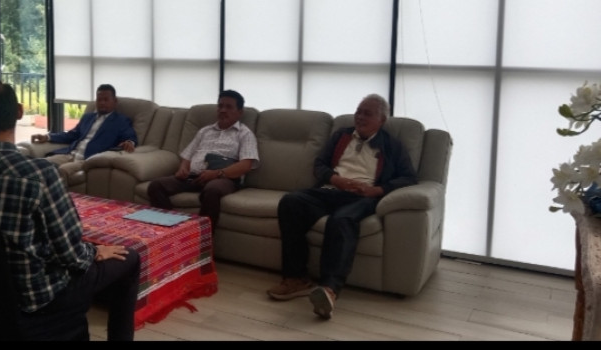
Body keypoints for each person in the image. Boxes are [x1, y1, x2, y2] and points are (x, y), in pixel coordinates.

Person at [0, 80, 141, 341]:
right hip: (37, 298)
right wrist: (95, 251)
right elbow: (71, 254)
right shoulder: (40, 175)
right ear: (19, 111)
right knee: (130, 259)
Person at [266, 93, 418, 320]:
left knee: (341, 220)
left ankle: (329, 290)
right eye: (358, 111)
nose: (360, 117)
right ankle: (296, 278)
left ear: (382, 120)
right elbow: (320, 164)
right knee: (291, 202)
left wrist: (377, 190)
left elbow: (409, 178)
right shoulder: (341, 135)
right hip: (331, 189)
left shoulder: (392, 146)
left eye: (367, 113)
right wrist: (336, 179)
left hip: (362, 197)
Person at [146, 89, 260, 230]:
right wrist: (183, 169)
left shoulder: (244, 134)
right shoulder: (205, 131)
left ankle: (202, 238)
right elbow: (188, 155)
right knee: (156, 186)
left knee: (212, 190)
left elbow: (246, 165)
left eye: (229, 107)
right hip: (193, 176)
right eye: (220, 106)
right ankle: (171, 230)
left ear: (240, 112)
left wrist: (217, 173)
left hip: (223, 178)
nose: (223, 110)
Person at [30, 84, 137, 173]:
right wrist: (47, 137)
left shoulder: (121, 121)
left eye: (106, 100)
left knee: (59, 171)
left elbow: (130, 136)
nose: (102, 103)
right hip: (69, 154)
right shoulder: (88, 117)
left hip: (87, 160)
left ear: (115, 101)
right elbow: (72, 134)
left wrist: (129, 142)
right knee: (38, 164)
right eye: (99, 100)